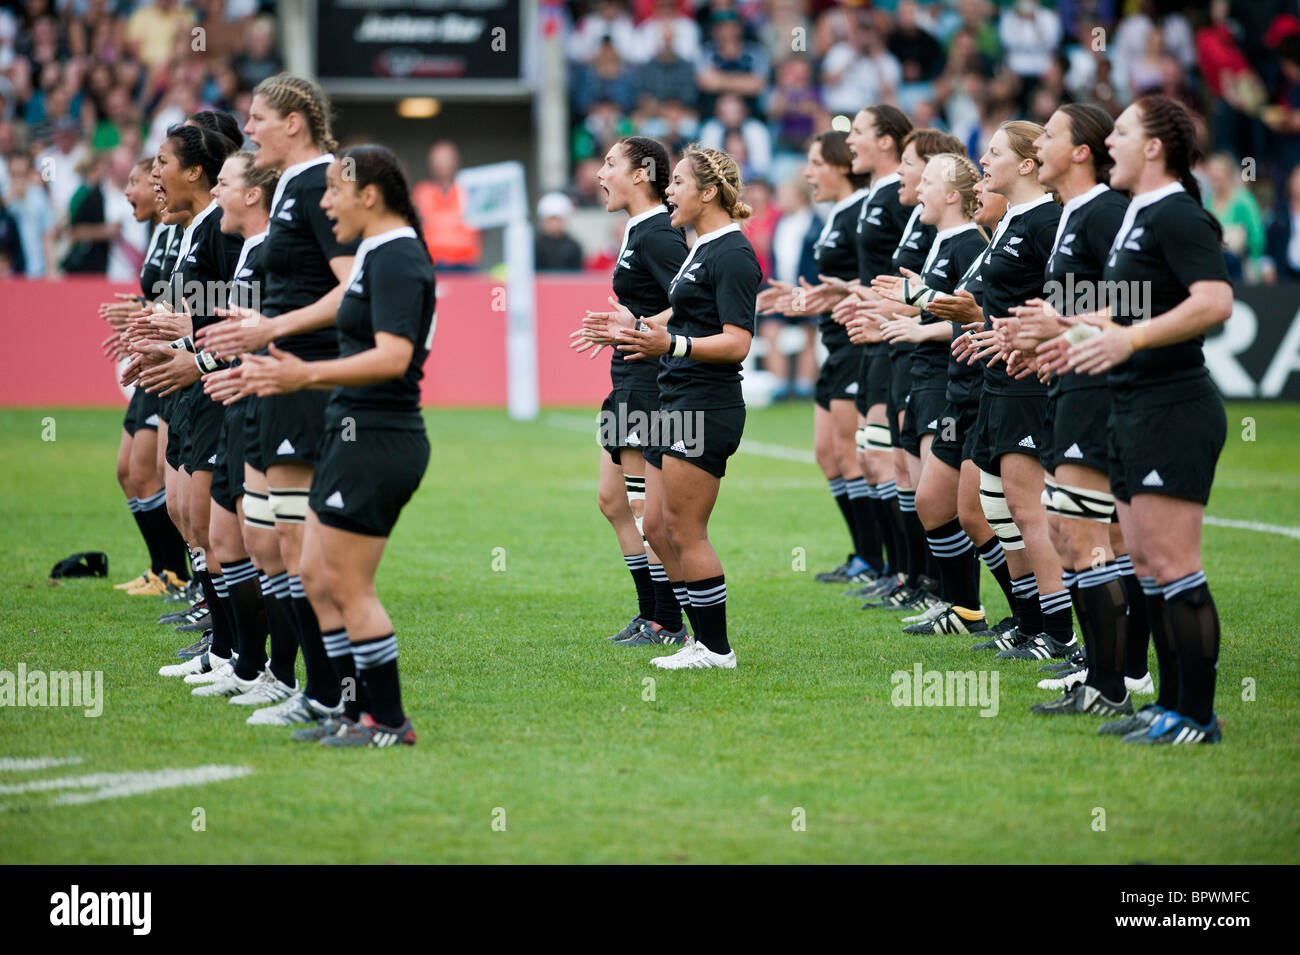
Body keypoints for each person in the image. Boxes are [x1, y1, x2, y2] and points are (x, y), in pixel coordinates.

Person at [1037, 95, 1233, 744]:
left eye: (1120, 132)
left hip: (1173, 406)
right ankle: (1167, 706)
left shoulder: (1176, 213)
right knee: (1146, 562)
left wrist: (1134, 338)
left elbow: (1214, 300)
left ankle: (1196, 716)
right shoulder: (1136, 217)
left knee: (1175, 564)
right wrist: (1061, 329)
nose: (1109, 142)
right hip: (1131, 406)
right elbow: (1117, 316)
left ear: (1153, 146)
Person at [240, 144, 437, 747]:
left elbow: (394, 356)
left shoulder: (400, 256)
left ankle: (388, 720)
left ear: (368, 195)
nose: (323, 204)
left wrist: (305, 375)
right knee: (317, 577)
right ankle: (348, 710)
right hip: (350, 432)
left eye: (333, 190)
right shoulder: (377, 252)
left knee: (349, 587)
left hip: (380, 437)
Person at [196, 75, 358, 730]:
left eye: (259, 117)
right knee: (281, 543)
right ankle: (306, 686)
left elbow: (353, 288)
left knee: (303, 548)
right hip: (272, 382)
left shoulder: (321, 184)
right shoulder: (293, 185)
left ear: (295, 122)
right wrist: (248, 359)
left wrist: (272, 335)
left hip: (307, 383)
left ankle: (330, 693)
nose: (250, 127)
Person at [1006, 104, 1154, 715]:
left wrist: (1063, 329)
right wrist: (1053, 347)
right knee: (1095, 537)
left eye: (1049, 135)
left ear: (1081, 151)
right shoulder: (1072, 215)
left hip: (1102, 394)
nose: (1037, 145)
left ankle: (1112, 678)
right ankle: (1114, 671)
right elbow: (1093, 308)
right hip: (1074, 383)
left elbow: (1137, 301)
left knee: (1086, 535)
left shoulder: (1104, 212)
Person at [613, 144, 761, 670]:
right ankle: (693, 639)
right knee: (654, 523)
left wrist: (670, 345)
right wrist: (635, 329)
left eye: (676, 182)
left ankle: (715, 649)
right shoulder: (701, 247)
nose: (668, 190)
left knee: (684, 529)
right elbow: (682, 321)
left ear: (708, 192)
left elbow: (737, 342)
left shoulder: (734, 254)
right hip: (674, 398)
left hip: (705, 404)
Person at [122, 120, 242, 684]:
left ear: (197, 170)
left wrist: (183, 332)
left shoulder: (221, 227)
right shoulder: (192, 227)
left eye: (162, 165)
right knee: (189, 518)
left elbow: (245, 306)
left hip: (214, 386)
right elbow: (194, 310)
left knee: (214, 528)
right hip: (188, 382)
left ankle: (242, 656)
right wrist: (151, 330)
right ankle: (222, 646)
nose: (153, 178)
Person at [571, 136, 691, 646]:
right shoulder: (636, 228)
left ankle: (666, 620)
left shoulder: (661, 234)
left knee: (648, 511)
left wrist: (635, 325)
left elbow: (692, 305)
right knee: (612, 501)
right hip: (628, 376)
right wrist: (620, 330)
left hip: (651, 382)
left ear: (642, 174)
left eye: (610, 163)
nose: (600, 173)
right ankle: (653, 615)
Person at [961, 120, 1073, 664]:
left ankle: (1059, 632)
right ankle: (1031, 624)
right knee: (998, 507)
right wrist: (991, 333)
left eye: (995, 151)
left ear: (1027, 165)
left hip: (1030, 385)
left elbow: (1065, 307)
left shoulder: (1048, 222)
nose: (983, 160)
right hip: (1001, 378)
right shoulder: (1012, 220)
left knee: (1030, 513)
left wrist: (1028, 343)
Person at [869, 151, 989, 632]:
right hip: (927, 378)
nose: (917, 187)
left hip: (948, 380)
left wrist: (920, 324)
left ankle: (971, 605)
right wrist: (898, 314)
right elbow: (935, 309)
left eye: (929, 181)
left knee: (969, 508)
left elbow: (971, 313)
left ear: (953, 195)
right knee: (933, 500)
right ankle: (958, 605)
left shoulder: (966, 244)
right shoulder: (943, 242)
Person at [756, 132, 873, 588]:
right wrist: (800, 298)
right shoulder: (836, 216)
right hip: (836, 341)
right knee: (829, 454)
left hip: (859, 346)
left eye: (816, 163)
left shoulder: (863, 212)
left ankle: (880, 562)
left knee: (855, 455)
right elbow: (836, 285)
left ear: (843, 166)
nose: (807, 174)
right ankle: (865, 554)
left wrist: (809, 300)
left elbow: (868, 284)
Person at [103, 157, 189, 596]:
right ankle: (165, 569)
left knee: (156, 471)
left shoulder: (190, 229)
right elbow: (163, 297)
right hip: (154, 358)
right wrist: (138, 314)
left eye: (139, 180)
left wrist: (144, 315)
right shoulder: (163, 231)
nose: (134, 190)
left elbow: (186, 303)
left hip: (174, 362)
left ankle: (176, 572)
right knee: (129, 470)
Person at [411, 141, 481, 271]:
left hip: (465, 263)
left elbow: (483, 225)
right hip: (431, 263)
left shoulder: (469, 190)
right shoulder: (422, 191)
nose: (442, 164)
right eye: (438, 160)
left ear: (456, 162)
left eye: (446, 159)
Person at [534, 191, 585, 271]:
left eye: (557, 219)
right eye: (551, 219)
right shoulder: (535, 245)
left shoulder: (573, 246)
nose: (554, 224)